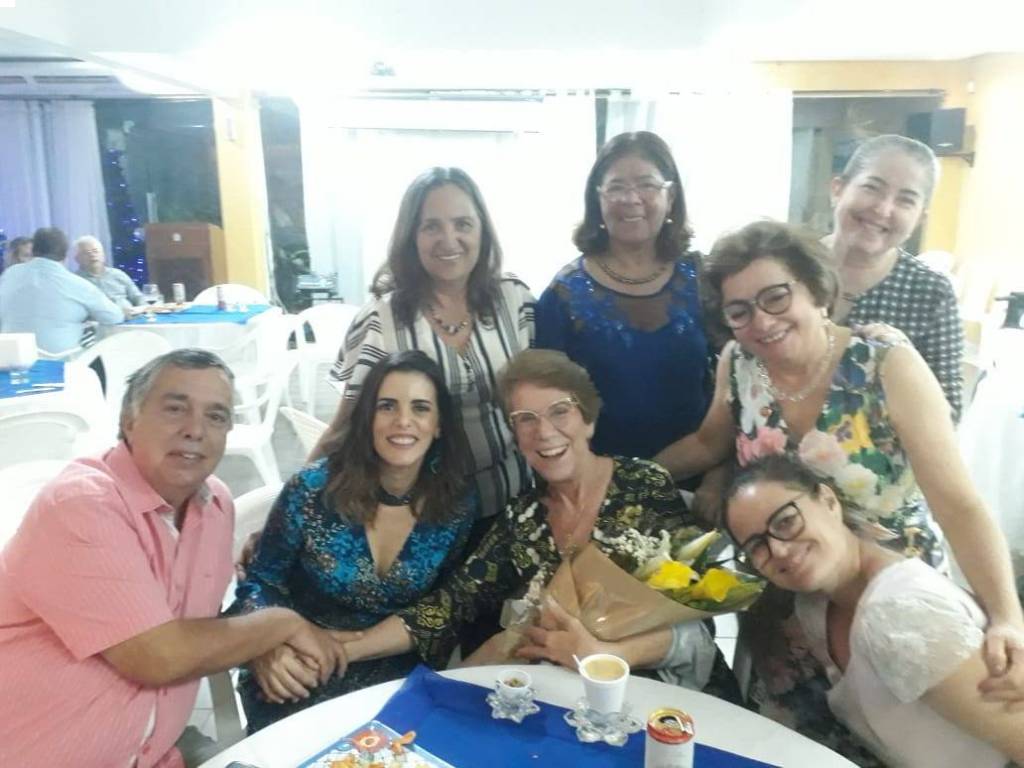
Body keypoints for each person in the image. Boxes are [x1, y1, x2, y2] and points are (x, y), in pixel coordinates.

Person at [654, 220, 1024, 759]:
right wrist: (622, 471)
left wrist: (1007, 615)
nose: (762, 321)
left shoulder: (883, 360)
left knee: (913, 745)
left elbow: (959, 503)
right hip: (787, 603)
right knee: (786, 749)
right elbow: (708, 442)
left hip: (888, 606)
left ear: (815, 288)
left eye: (776, 297)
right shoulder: (740, 363)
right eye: (740, 310)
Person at [0, 350, 348, 768]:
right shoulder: (82, 504)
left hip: (158, 752)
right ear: (129, 420)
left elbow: (196, 623)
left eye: (216, 416)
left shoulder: (214, 504)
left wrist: (257, 644)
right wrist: (281, 625)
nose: (195, 430)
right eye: (175, 409)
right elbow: (159, 657)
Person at [337, 349, 737, 700]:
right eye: (525, 419)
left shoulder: (645, 485)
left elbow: (696, 620)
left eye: (560, 411)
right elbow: (451, 604)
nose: (544, 432)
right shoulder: (521, 519)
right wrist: (346, 648)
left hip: (665, 698)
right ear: (515, 436)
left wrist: (602, 653)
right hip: (569, 704)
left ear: (588, 420)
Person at [722, 455, 1024, 768]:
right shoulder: (816, 605)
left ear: (828, 501)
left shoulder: (902, 614)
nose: (779, 549)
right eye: (756, 546)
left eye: (785, 521)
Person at [232, 351, 477, 732]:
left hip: (394, 675)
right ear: (367, 418)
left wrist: (354, 649)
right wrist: (266, 646)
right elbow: (261, 581)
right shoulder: (312, 489)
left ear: (439, 425)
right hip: (298, 667)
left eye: (420, 408)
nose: (403, 421)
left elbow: (445, 606)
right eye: (387, 406)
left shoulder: (456, 503)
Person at [323, 167, 535, 522]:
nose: (449, 240)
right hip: (425, 520)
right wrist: (287, 511)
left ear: (482, 231)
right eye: (431, 226)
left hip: (514, 504)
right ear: (411, 237)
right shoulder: (381, 320)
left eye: (463, 224)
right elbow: (345, 429)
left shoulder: (515, 300)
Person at [535, 131, 711, 466]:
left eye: (647, 184)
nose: (631, 199)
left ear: (671, 195)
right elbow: (547, 405)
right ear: (597, 199)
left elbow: (735, 385)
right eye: (616, 187)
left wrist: (717, 477)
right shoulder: (564, 294)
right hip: (601, 480)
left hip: (699, 473)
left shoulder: (703, 279)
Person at [825, 134, 964, 420]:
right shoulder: (786, 266)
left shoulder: (931, 293)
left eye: (906, 200)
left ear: (920, 218)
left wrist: (904, 360)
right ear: (838, 189)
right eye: (872, 188)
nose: (883, 209)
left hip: (873, 448)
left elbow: (947, 413)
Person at [0, 227, 123, 353]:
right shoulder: (78, 284)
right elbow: (114, 316)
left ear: (34, 250)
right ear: (65, 255)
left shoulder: (8, 275)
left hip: (10, 358)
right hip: (65, 361)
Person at [74, 234, 144, 309]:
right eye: (86, 253)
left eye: (95, 251)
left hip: (132, 315)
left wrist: (143, 309)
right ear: (77, 258)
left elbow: (138, 298)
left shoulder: (118, 274)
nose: (92, 255)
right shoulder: (76, 281)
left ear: (103, 255)